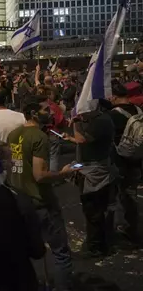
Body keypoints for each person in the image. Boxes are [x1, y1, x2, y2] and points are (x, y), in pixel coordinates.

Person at [6, 102, 76, 291]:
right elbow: (40, 175)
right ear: (32, 113)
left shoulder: (14, 134)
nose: (50, 112)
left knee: (26, 251)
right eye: (45, 109)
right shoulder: (39, 137)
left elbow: (15, 166)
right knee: (60, 252)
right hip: (40, 202)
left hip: (20, 201)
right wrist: (64, 173)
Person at [64, 100, 117, 257]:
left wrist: (75, 123)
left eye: (83, 112)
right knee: (95, 208)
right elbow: (86, 141)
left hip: (96, 171)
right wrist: (71, 138)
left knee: (94, 209)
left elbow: (82, 139)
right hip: (91, 167)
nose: (81, 115)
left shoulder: (101, 121)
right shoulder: (99, 119)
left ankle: (97, 247)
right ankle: (99, 242)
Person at [108, 81, 142, 245]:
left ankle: (129, 230)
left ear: (114, 97)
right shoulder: (138, 110)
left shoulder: (113, 115)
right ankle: (132, 227)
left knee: (121, 196)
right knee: (131, 194)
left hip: (120, 160)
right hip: (136, 158)